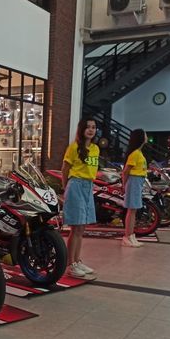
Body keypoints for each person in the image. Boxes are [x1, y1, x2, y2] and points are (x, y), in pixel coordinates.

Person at [61, 118, 99, 280]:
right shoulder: (74, 147)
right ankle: (71, 264)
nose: (91, 130)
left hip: (88, 187)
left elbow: (92, 169)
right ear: (82, 129)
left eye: (94, 127)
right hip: (76, 185)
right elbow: (65, 169)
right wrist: (65, 189)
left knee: (82, 228)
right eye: (88, 127)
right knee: (76, 228)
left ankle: (77, 260)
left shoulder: (96, 149)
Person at [122, 129, 149, 248]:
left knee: (134, 210)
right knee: (132, 210)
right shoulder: (135, 154)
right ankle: (127, 236)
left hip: (137, 181)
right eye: (145, 134)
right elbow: (126, 171)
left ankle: (131, 235)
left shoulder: (139, 153)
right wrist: (124, 185)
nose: (147, 136)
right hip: (133, 181)